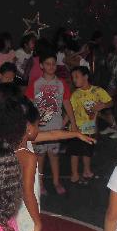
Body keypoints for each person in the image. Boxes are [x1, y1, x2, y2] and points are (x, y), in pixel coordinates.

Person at [0, 97, 93, 231]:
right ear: (28, 128)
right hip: (25, 211)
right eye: (38, 125)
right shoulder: (28, 156)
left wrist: (75, 134)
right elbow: (27, 192)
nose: (40, 129)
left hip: (8, 207)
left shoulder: (11, 145)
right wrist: (37, 222)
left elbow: (54, 134)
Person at [29, 51, 75, 195]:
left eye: (53, 64)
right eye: (47, 64)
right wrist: (31, 125)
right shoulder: (35, 83)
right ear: (41, 66)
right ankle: (40, 183)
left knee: (54, 156)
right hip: (39, 129)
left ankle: (56, 182)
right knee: (40, 157)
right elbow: (29, 106)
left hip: (55, 127)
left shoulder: (61, 83)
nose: (51, 66)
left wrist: (71, 122)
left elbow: (67, 103)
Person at [69, 66, 112, 185]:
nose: (74, 80)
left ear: (86, 77)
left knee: (88, 151)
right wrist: (65, 125)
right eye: (73, 77)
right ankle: (74, 174)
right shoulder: (75, 94)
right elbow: (70, 111)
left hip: (90, 128)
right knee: (75, 152)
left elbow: (110, 102)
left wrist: (103, 105)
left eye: (76, 77)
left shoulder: (97, 90)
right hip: (77, 129)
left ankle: (87, 171)